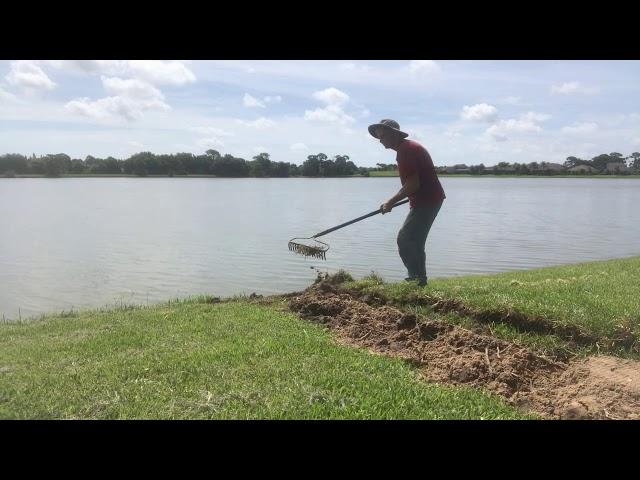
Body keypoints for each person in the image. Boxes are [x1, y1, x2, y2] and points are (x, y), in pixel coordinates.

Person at [368, 119, 445, 286]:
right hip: (426, 199)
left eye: (383, 136)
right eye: (379, 137)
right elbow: (414, 184)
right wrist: (395, 200)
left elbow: (413, 184)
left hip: (428, 200)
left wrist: (391, 201)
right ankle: (418, 280)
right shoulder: (406, 149)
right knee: (413, 241)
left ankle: (416, 280)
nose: (380, 140)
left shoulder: (406, 151)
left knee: (406, 239)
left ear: (394, 134)